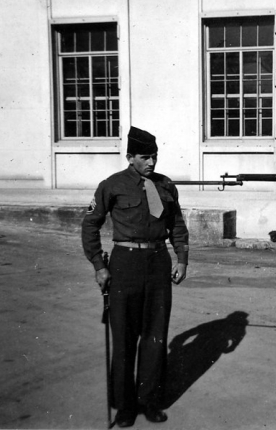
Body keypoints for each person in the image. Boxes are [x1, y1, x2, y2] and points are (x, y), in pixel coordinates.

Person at [82, 126, 189, 428]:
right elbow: (90, 225)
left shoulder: (166, 185)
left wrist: (182, 259)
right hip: (124, 265)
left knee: (155, 336)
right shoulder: (112, 185)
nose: (151, 162)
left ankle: (149, 401)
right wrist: (99, 265)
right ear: (130, 157)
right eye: (145, 157)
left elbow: (177, 225)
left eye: (154, 156)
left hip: (157, 263)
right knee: (124, 339)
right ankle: (125, 406)